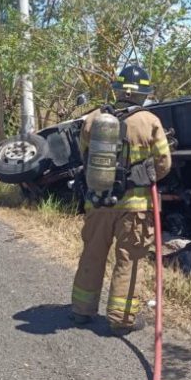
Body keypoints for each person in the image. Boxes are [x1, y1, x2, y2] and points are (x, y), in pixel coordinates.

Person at [70, 65, 172, 336]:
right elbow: (164, 163)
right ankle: (121, 318)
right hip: (135, 206)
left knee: (92, 254)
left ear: (117, 91)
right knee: (129, 259)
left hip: (98, 201)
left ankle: (81, 310)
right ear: (143, 94)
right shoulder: (149, 121)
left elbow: (83, 154)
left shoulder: (93, 118)